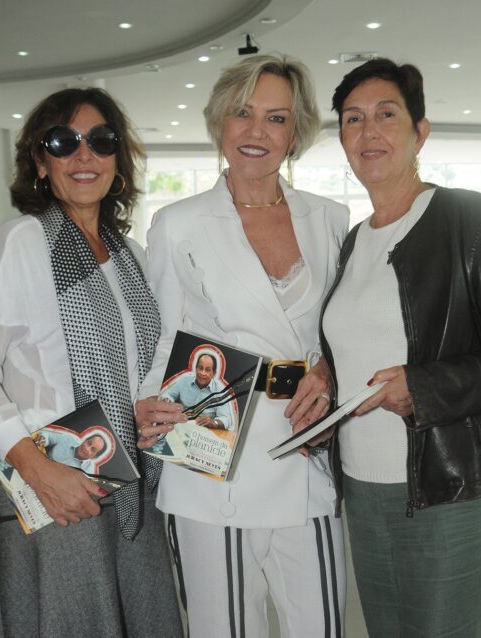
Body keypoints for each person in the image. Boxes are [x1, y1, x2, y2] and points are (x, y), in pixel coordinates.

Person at [319, 58, 481, 637]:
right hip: (363, 483)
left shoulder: (471, 220)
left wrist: (422, 388)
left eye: (386, 114)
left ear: (419, 132)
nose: (368, 131)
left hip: (449, 482)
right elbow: (359, 342)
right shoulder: (354, 242)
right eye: (353, 119)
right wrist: (325, 378)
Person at [135, 54, 349, 638]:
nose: (256, 131)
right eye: (242, 113)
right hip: (212, 452)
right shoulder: (177, 224)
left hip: (305, 445)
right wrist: (146, 404)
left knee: (322, 624)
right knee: (226, 628)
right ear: (219, 123)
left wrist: (329, 373)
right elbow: (161, 338)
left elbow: (341, 330)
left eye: (276, 118)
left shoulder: (331, 219)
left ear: (296, 132)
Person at [0, 88, 182, 637]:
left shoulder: (129, 255)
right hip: (55, 488)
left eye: (101, 142)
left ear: (118, 161)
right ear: (40, 160)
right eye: (63, 142)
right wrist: (38, 468)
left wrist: (148, 406)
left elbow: (142, 361)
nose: (85, 155)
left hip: (133, 485)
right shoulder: (24, 241)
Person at [161, 352, 234, 430]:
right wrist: (167, 399)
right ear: (196, 368)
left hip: (202, 432)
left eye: (208, 370)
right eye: (200, 368)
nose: (203, 373)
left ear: (214, 373)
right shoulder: (184, 380)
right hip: (179, 425)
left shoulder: (221, 391)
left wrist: (214, 422)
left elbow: (226, 419)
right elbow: (169, 394)